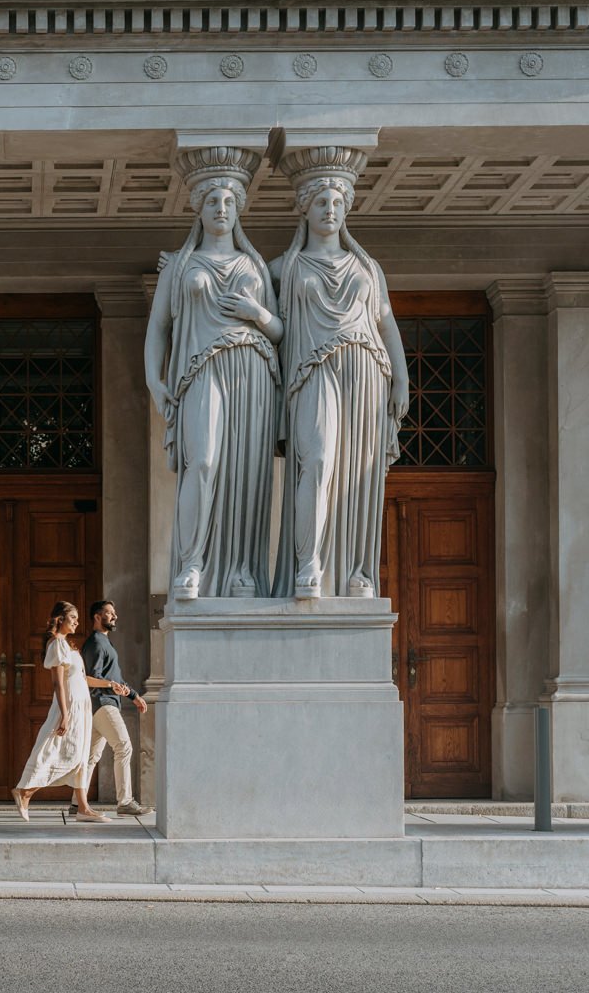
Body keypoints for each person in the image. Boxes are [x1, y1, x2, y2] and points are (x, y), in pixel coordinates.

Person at [144, 145, 286, 601]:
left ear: (238, 209)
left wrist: (257, 313)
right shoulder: (181, 264)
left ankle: (242, 571)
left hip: (253, 369)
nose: (221, 209)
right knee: (202, 463)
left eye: (228, 202)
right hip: (200, 370)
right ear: (199, 209)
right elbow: (158, 330)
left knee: (247, 472)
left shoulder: (254, 265)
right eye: (212, 201)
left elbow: (280, 329)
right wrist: (154, 380)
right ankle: (192, 564)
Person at [274, 146, 410, 599]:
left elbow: (386, 323)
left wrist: (403, 380)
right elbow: (230, 269)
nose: (329, 210)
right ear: (305, 208)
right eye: (320, 202)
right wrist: (178, 266)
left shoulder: (368, 267)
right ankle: (307, 563)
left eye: (337, 202)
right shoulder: (287, 266)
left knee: (361, 471)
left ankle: (356, 571)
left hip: (367, 369)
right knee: (318, 460)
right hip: (313, 369)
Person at [11, 601, 126, 824]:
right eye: (72, 618)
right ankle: (25, 791)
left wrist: (109, 684)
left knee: (81, 754)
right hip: (70, 706)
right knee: (53, 748)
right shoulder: (56, 645)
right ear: (61, 619)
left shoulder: (69, 646)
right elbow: (58, 684)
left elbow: (82, 679)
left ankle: (83, 808)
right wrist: (64, 714)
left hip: (83, 707)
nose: (76, 622)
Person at [70, 600, 153, 817]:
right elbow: (87, 678)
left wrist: (133, 695)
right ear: (97, 617)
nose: (115, 616)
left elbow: (115, 678)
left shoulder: (105, 642)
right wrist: (109, 686)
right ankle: (124, 802)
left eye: (114, 613)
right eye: (109, 613)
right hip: (103, 704)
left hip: (102, 704)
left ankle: (76, 804)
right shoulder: (96, 643)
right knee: (123, 746)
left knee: (90, 757)